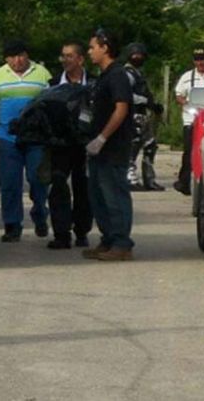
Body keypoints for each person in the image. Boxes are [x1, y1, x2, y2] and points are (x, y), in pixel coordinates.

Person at [0, 40, 51, 242]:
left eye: (21, 56)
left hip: (36, 138)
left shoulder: (42, 74)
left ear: (27, 55)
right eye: (12, 57)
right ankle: (12, 225)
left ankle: (40, 214)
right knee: (10, 183)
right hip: (8, 138)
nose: (17, 61)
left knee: (38, 180)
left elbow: (51, 104)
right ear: (6, 59)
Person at [81, 29, 136, 261]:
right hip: (98, 148)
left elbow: (121, 109)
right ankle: (108, 239)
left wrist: (103, 138)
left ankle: (122, 243)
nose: (89, 51)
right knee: (98, 196)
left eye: (93, 47)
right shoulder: (103, 76)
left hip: (113, 147)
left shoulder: (118, 75)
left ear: (105, 48)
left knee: (114, 195)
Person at [45, 41, 96, 249]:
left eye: (70, 56)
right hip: (60, 144)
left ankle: (82, 231)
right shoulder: (53, 84)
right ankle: (61, 234)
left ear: (80, 59)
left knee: (83, 188)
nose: (65, 60)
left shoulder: (94, 83)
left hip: (86, 145)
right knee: (58, 186)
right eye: (63, 56)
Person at [173, 46, 204, 196]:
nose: (200, 63)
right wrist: (186, 103)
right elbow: (179, 95)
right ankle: (184, 182)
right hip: (191, 119)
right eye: (197, 60)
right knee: (189, 151)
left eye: (202, 59)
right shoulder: (187, 77)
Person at [124, 43, 165, 191]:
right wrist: (147, 102)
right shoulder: (127, 74)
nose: (137, 57)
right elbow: (126, 95)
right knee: (133, 146)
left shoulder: (138, 73)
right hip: (132, 114)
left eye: (140, 55)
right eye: (135, 55)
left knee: (150, 145)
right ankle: (130, 178)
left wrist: (153, 105)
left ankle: (149, 178)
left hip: (143, 115)